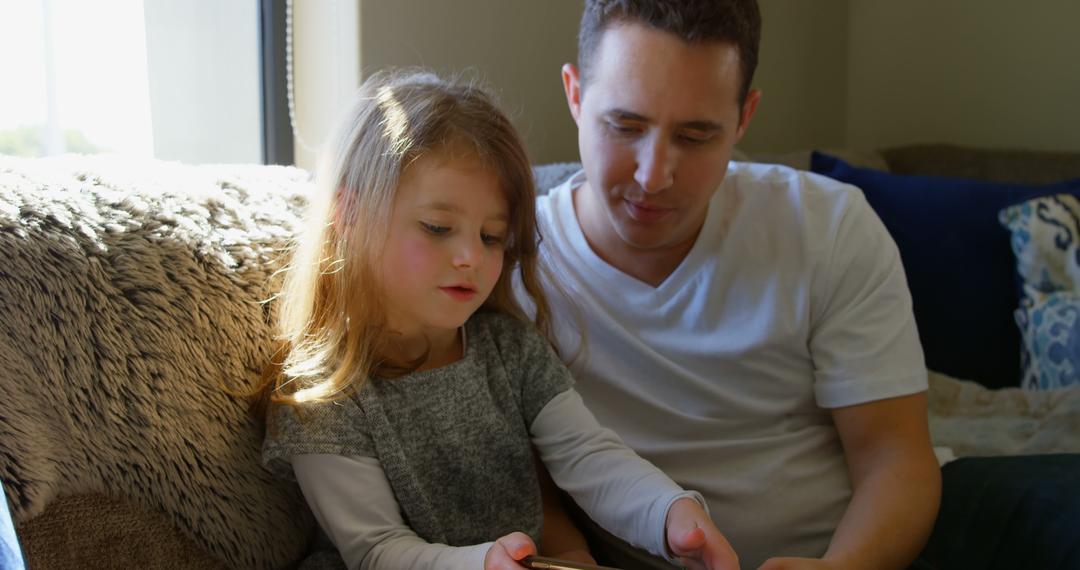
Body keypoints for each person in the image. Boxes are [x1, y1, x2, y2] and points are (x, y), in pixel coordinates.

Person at [256, 70, 740, 570]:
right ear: (351, 216)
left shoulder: (510, 350)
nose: (470, 255)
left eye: (491, 236)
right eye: (438, 228)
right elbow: (375, 550)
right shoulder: (322, 393)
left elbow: (589, 456)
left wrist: (673, 512)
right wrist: (484, 563)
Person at [529, 1, 943, 569]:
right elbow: (523, 471)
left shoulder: (827, 226)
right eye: (625, 126)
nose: (653, 175)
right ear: (575, 96)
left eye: (695, 136)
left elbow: (895, 458)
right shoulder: (507, 262)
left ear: (744, 118)